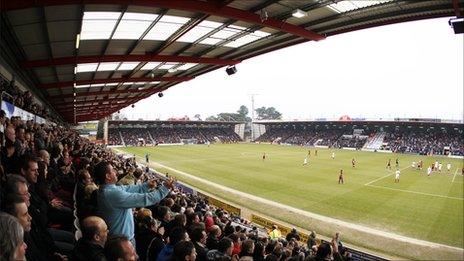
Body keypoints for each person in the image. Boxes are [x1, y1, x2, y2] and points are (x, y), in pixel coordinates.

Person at [94, 161, 175, 246]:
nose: (116, 172)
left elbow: (128, 188)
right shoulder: (112, 193)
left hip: (119, 239)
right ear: (108, 176)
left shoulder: (107, 190)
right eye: (113, 170)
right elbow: (145, 199)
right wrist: (165, 188)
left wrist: (146, 186)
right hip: (122, 243)